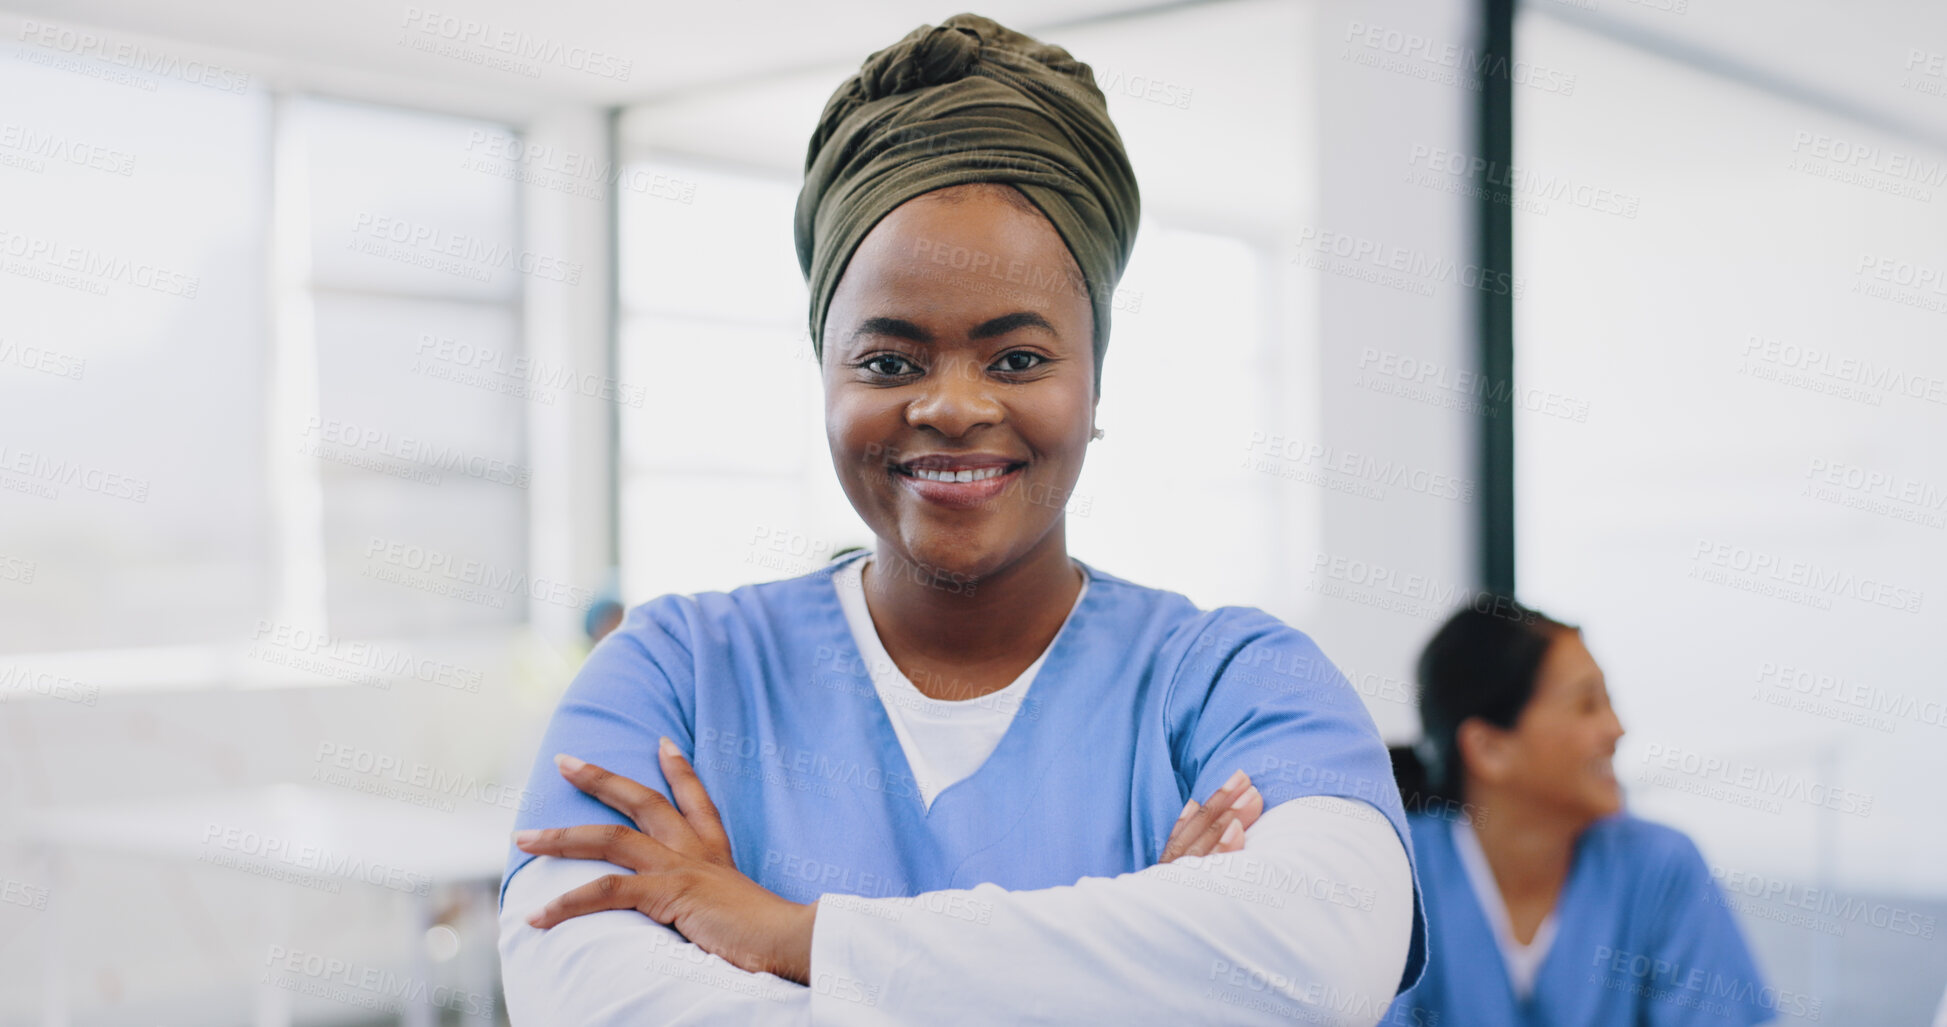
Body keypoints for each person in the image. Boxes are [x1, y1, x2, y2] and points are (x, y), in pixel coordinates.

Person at [496, 14, 1426, 1024]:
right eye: (889, 361)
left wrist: (793, 938)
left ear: (1096, 379)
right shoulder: (670, 677)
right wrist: (1143, 971)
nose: (953, 404)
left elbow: (1320, 961)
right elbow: (587, 994)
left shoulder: (1246, 685)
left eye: (1018, 358)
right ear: (825, 376)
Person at [1385, 600, 1777, 1026]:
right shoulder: (1398, 873)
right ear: (1489, 748)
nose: (1616, 729)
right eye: (1588, 704)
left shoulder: (1661, 869)